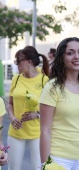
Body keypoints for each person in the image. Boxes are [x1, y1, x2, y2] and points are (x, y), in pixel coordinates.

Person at [7, 46, 49, 170]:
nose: (16, 64)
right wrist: (11, 117)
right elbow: (10, 104)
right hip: (16, 131)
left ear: (28, 61)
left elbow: (51, 109)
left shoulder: (44, 80)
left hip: (37, 133)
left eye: (18, 61)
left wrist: (36, 114)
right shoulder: (16, 78)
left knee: (38, 167)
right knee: (14, 168)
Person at [40, 37, 79, 170]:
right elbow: (45, 130)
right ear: (62, 57)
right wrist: (45, 164)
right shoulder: (52, 87)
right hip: (59, 158)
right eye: (70, 53)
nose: (76, 56)